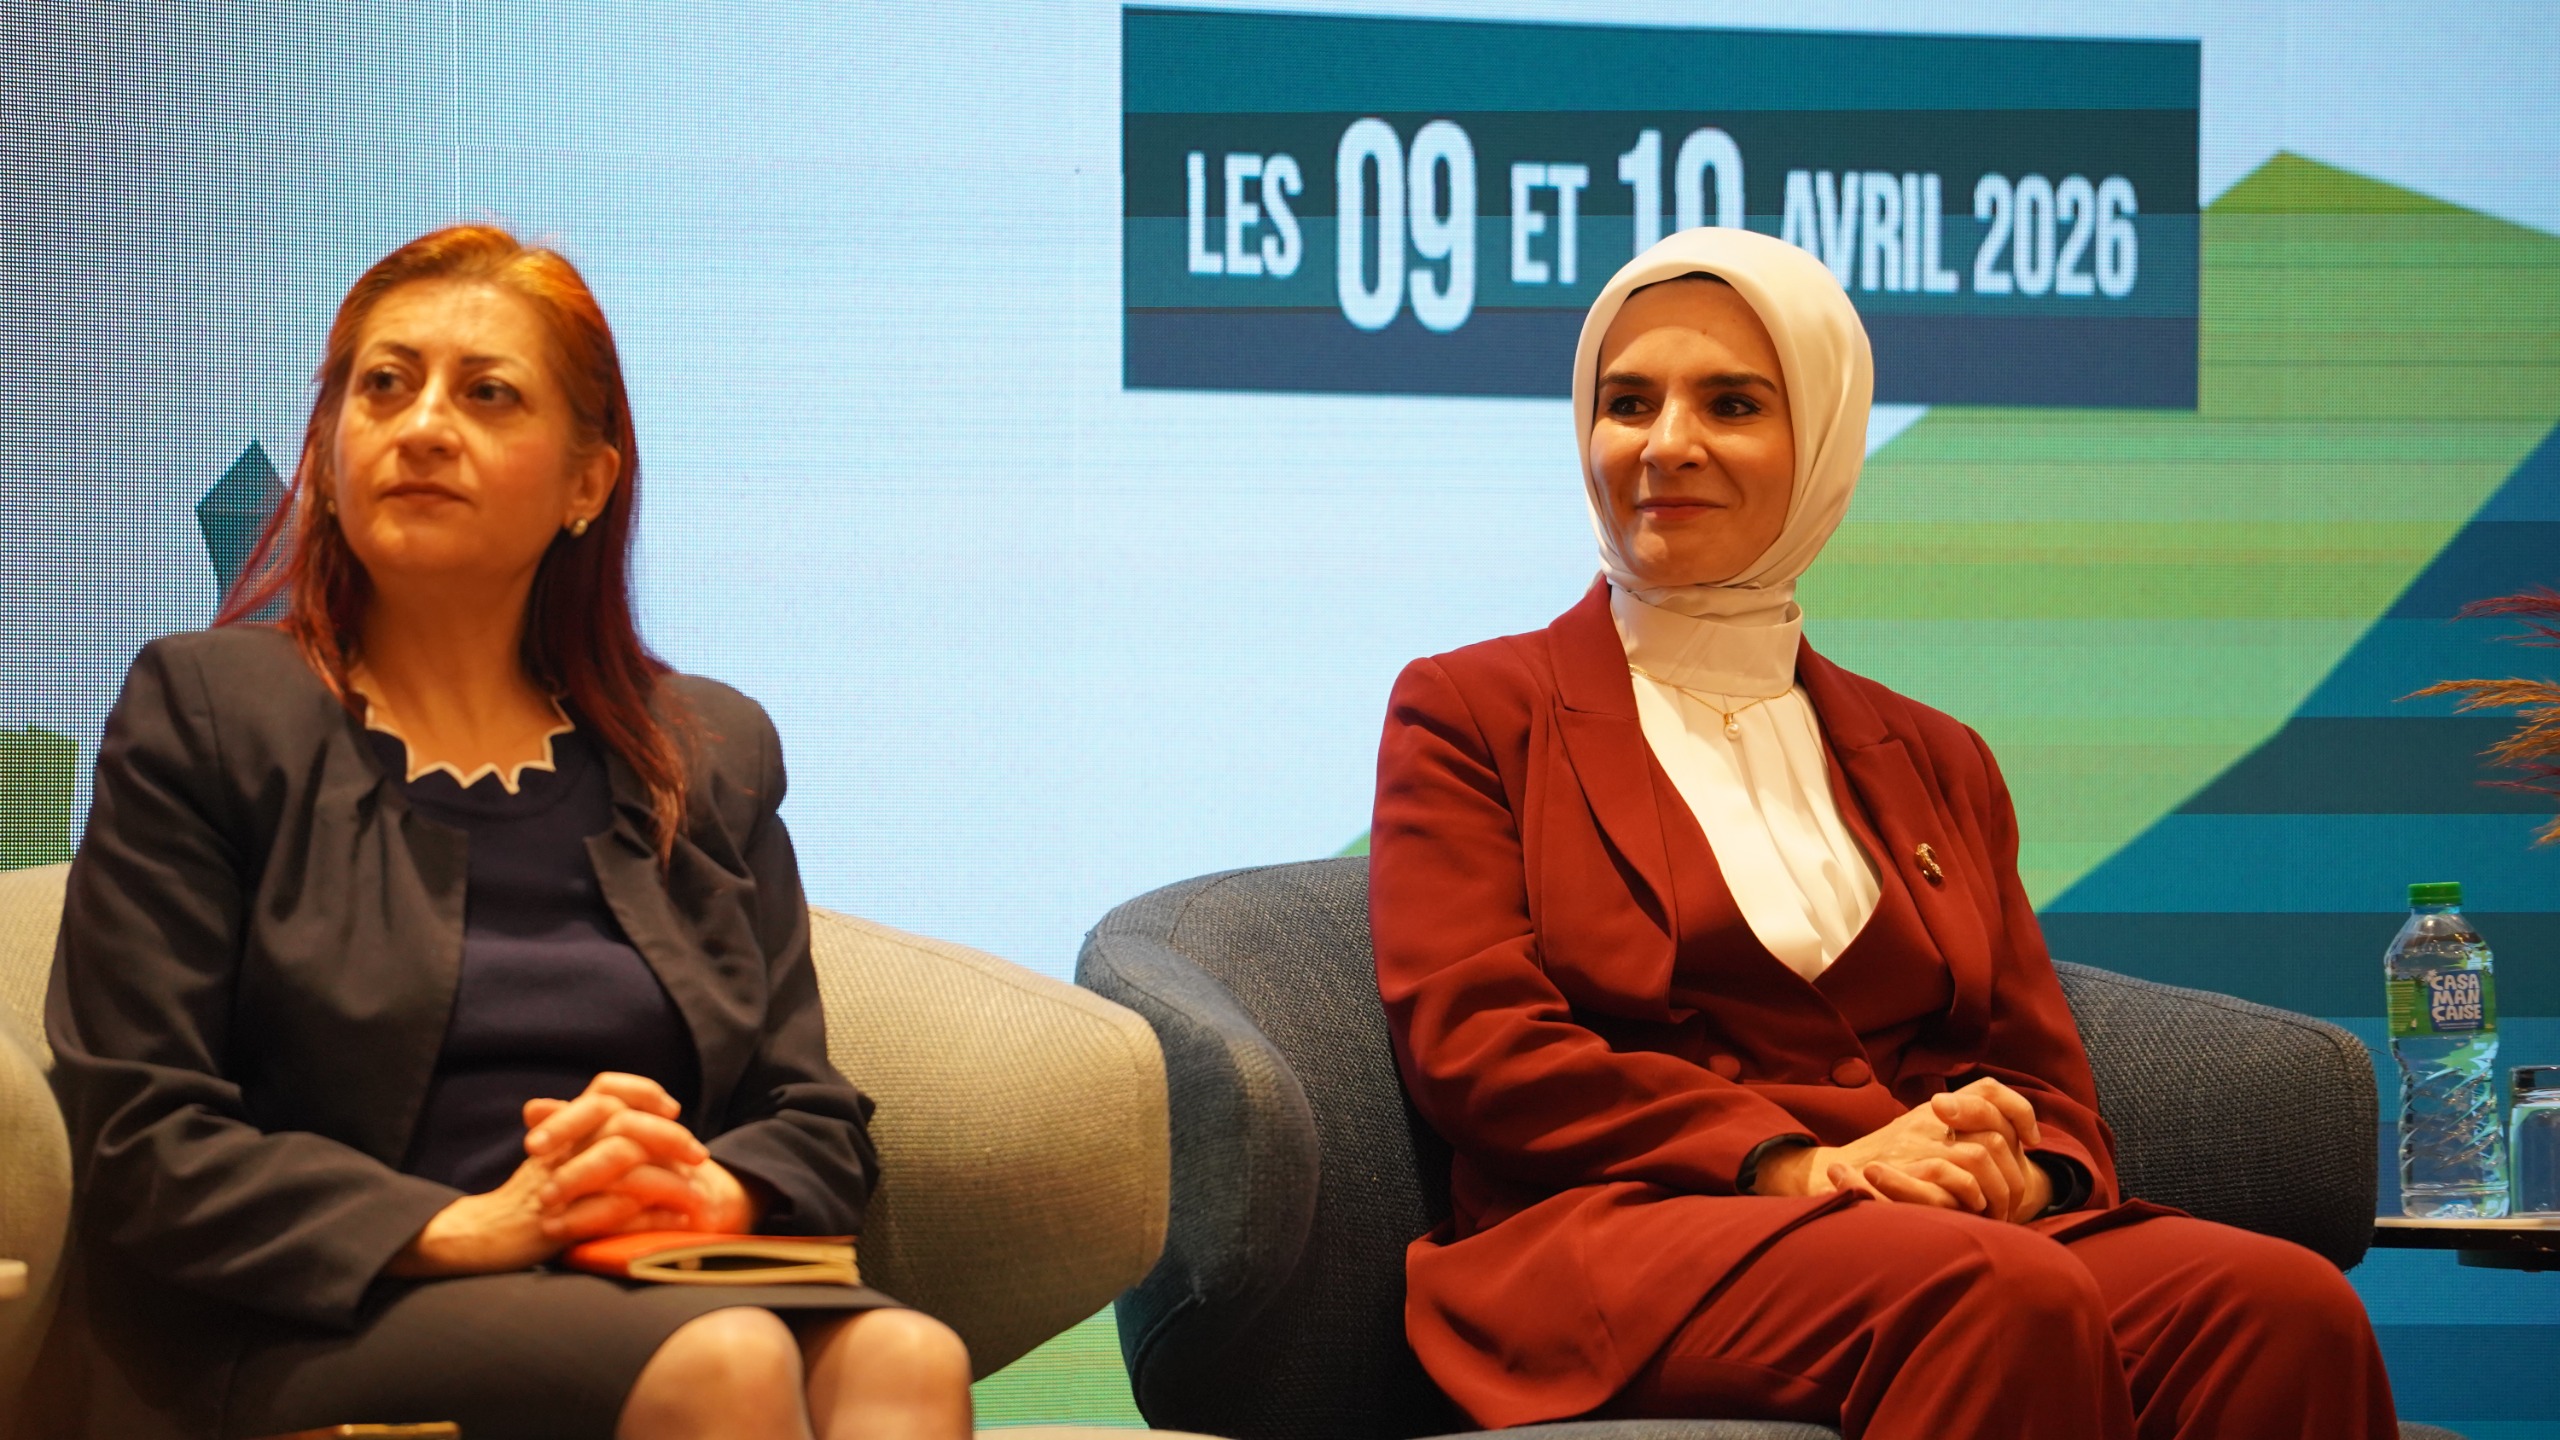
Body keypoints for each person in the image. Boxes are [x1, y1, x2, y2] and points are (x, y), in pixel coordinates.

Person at [1366, 227, 2397, 1439]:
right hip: (1614, 1234)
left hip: (1916, 1232)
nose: (1664, 445)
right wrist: (1796, 1163)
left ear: (1825, 442)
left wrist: (2017, 1165)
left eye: (1731, 404)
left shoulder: (1937, 755)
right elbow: (1482, 1049)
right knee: (1992, 1293)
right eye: (1626, 402)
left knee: (2281, 1308)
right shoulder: (1473, 709)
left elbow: (2039, 1076)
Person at [40, 225, 971, 1440]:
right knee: (729, 1361)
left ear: (589, 482)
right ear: (327, 454)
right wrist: (478, 1225)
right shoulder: (209, 710)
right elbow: (140, 1128)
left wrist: (714, 1188)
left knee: (906, 1357)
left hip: (635, 1280)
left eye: (487, 394)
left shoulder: (704, 751)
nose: (425, 426)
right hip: (307, 1313)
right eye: (386, 385)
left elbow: (810, 1112)